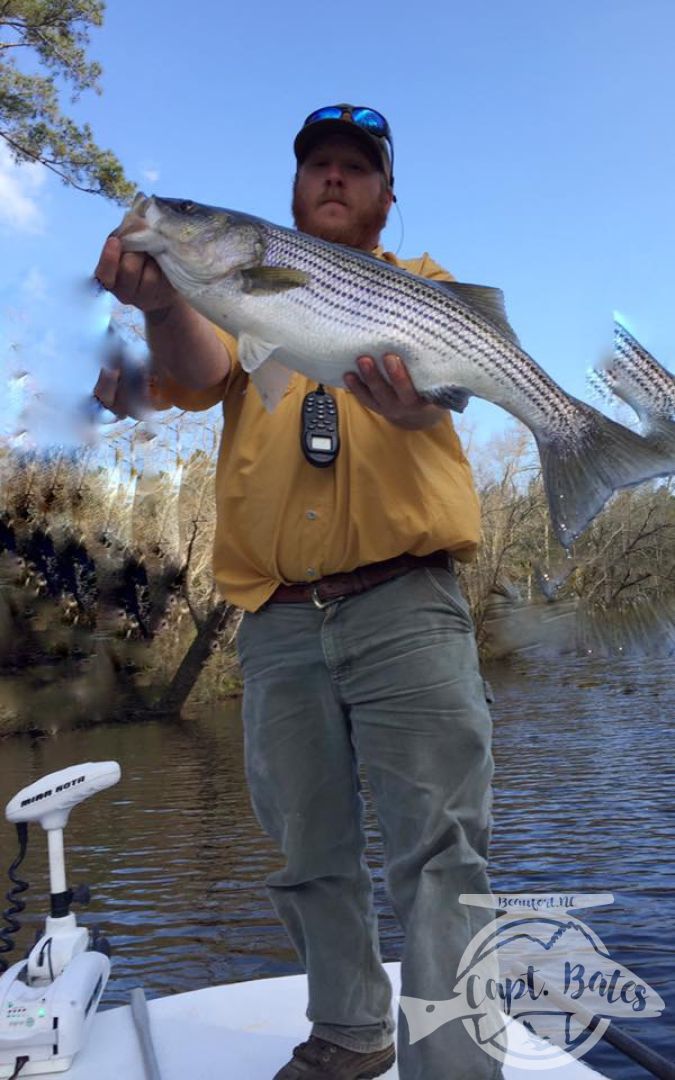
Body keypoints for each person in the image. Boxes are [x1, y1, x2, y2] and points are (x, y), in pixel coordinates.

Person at [94, 104, 501, 1080]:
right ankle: (349, 1038)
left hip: (408, 605)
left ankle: (454, 1065)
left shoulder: (425, 291)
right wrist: (159, 300)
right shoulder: (239, 306)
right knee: (309, 853)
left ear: (385, 199)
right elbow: (192, 370)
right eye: (316, 164)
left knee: (439, 854)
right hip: (275, 622)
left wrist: (425, 401)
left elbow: (455, 375)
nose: (332, 177)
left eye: (354, 169)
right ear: (280, 202)